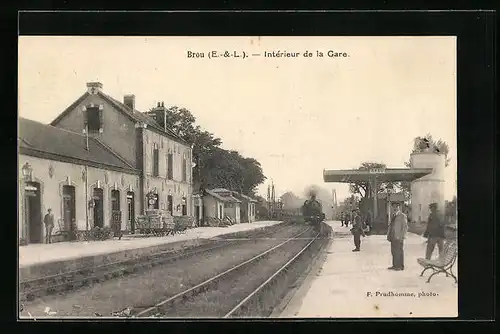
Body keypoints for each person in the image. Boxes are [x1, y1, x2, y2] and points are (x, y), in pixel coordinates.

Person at [387, 203, 408, 270]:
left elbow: (405, 227)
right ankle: (395, 265)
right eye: (394, 207)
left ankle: (400, 266)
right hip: (393, 236)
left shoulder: (402, 216)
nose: (395, 208)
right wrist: (388, 235)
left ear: (399, 207)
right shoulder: (393, 215)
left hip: (399, 236)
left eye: (396, 207)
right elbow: (391, 226)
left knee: (399, 251)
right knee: (393, 251)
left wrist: (402, 236)